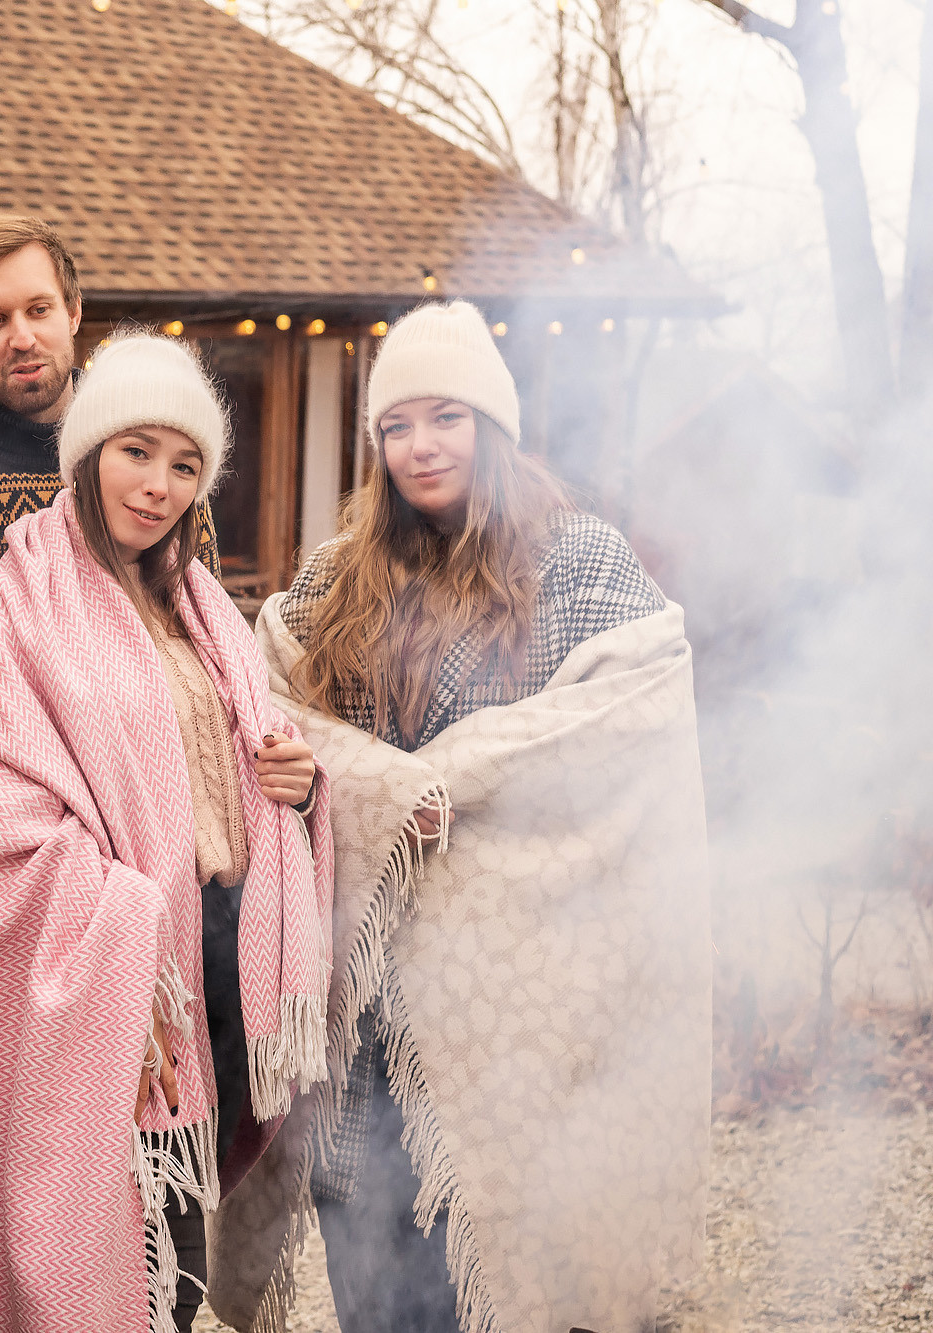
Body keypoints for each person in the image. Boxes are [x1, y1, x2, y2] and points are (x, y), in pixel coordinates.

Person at [207, 301, 711, 1333]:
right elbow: (266, 717)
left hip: (525, 1022)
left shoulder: (580, 566)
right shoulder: (332, 580)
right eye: (395, 424)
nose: (419, 444)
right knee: (378, 1295)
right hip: (370, 1029)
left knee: (518, 1279)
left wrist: (437, 782)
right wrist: (374, 794)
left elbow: (622, 720)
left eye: (445, 416)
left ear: (493, 426)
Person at [0, 335, 332, 1333]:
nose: (157, 486)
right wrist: (130, 941)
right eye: (135, 451)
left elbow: (233, 761)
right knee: (135, 1240)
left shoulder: (199, 606)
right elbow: (16, 817)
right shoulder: (11, 602)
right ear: (86, 450)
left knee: (179, 1239)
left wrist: (287, 778)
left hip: (221, 949)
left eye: (183, 464)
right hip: (118, 956)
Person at [0, 214, 220, 572]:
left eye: (39, 310)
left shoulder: (157, 446)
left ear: (73, 313)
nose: (23, 339)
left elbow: (201, 612)